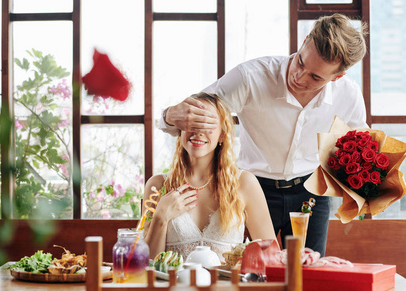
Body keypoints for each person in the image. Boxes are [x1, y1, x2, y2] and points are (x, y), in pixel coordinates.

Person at [159, 14, 368, 257]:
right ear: (304, 41)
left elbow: (359, 144)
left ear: (337, 77)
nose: (299, 77)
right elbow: (197, 113)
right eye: (301, 62)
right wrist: (169, 115)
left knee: (307, 275)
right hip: (254, 189)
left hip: (311, 193)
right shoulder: (251, 77)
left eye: (315, 77)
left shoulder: (348, 94)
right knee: (251, 272)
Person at [144, 92, 277, 261]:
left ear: (222, 134)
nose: (198, 132)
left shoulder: (244, 183)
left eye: (207, 125)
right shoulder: (157, 185)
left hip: (228, 287)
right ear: (180, 129)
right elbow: (146, 265)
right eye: (193, 123)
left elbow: (271, 256)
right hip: (173, 287)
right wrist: (161, 216)